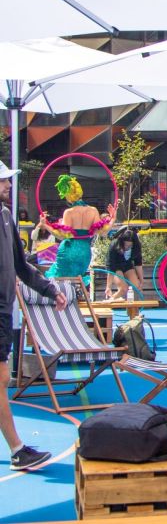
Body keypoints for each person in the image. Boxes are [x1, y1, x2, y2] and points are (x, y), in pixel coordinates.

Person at [0, 161, 68, 470]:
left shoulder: (4, 217)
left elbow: (21, 265)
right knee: (1, 378)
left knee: (1, 379)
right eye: (3, 181)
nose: (8, 186)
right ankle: (17, 449)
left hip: (3, 310)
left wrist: (51, 290)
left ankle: (17, 449)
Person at [39, 174, 116, 281]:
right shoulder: (93, 210)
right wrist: (112, 218)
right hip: (84, 252)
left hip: (69, 250)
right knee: (78, 280)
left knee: (61, 280)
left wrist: (45, 225)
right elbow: (103, 232)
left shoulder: (69, 212)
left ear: (68, 196)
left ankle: (64, 296)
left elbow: (62, 235)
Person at [104, 227, 143, 300]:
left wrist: (141, 280)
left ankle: (131, 308)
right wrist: (108, 287)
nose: (127, 247)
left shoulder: (136, 247)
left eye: (130, 246)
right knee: (123, 289)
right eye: (125, 245)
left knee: (136, 287)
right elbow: (110, 266)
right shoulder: (114, 244)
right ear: (121, 242)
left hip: (127, 265)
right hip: (116, 266)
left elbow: (138, 263)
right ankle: (111, 300)